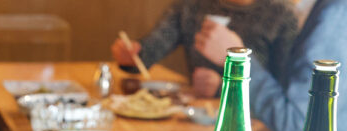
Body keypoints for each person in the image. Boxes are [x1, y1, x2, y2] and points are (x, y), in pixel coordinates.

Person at [194, 0, 347, 131]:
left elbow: (299, 126)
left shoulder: (334, 14)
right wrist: (221, 86)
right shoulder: (313, 9)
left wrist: (238, 60)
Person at [111, 0, 298, 97]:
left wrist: (222, 88)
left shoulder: (282, 16)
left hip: (253, 130)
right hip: (193, 123)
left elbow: (284, 98)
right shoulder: (192, 5)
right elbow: (152, 48)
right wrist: (133, 56)